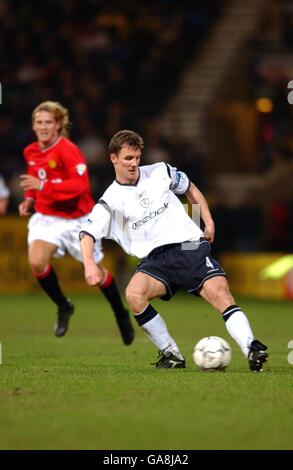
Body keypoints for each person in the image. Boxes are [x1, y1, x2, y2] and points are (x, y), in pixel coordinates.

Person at [80, 129, 269, 371]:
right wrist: (89, 265)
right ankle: (172, 355)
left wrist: (207, 222)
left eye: (137, 158)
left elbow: (189, 189)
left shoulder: (160, 171)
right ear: (113, 158)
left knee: (220, 294)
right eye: (128, 158)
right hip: (155, 260)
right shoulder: (110, 201)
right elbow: (87, 234)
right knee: (134, 295)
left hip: (188, 246)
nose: (134, 164)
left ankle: (251, 348)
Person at [18, 102, 134, 344]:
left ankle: (119, 312)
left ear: (58, 124)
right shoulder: (31, 151)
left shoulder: (68, 150)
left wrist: (43, 187)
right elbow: (36, 180)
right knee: (37, 261)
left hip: (78, 221)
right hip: (47, 218)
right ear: (33, 125)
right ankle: (63, 305)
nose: (43, 126)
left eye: (48, 122)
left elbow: (80, 187)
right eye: (39, 122)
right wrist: (30, 200)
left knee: (97, 276)